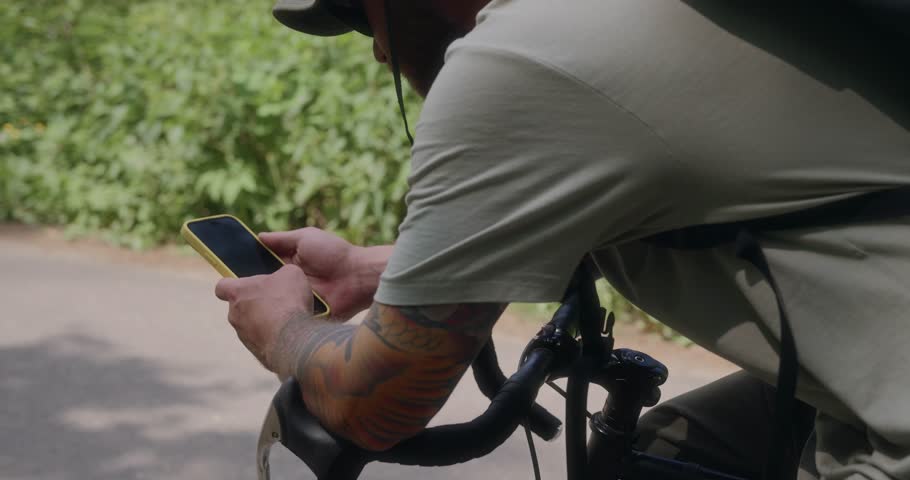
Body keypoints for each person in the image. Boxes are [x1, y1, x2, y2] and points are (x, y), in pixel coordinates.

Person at [212, 1, 910, 478]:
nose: (380, 50)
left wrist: (284, 333)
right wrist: (374, 269)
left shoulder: (514, 60)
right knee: (659, 454)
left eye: (363, 15)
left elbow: (377, 399)